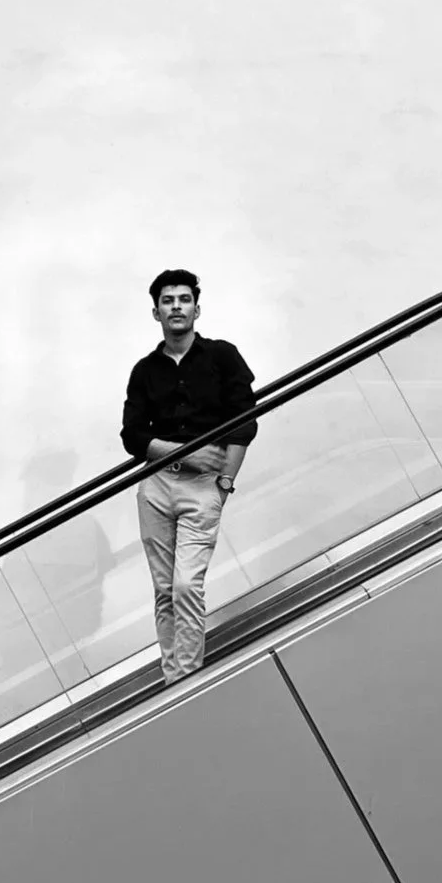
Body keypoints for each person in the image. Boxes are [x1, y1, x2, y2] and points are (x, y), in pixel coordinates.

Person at [120, 269, 258, 685]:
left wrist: (225, 482)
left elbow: (246, 421)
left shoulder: (222, 356)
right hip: (157, 485)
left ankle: (186, 683)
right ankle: (173, 680)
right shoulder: (145, 370)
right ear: (156, 313)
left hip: (204, 487)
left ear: (197, 309)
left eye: (183, 299)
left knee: (185, 586)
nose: (176, 306)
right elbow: (132, 436)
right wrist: (183, 452)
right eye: (168, 301)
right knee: (164, 591)